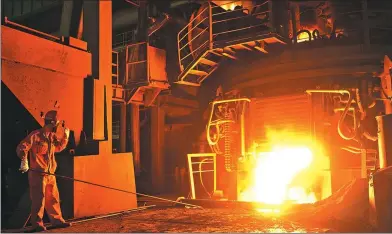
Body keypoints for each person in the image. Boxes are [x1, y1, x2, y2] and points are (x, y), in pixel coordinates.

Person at [16, 110, 71, 232]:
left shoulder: (52, 137)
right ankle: (37, 224)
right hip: (38, 174)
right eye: (57, 125)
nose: (57, 127)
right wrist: (24, 159)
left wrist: (66, 137)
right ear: (52, 123)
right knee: (38, 199)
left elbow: (58, 148)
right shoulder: (35, 135)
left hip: (50, 174)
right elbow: (22, 147)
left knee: (53, 198)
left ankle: (57, 221)